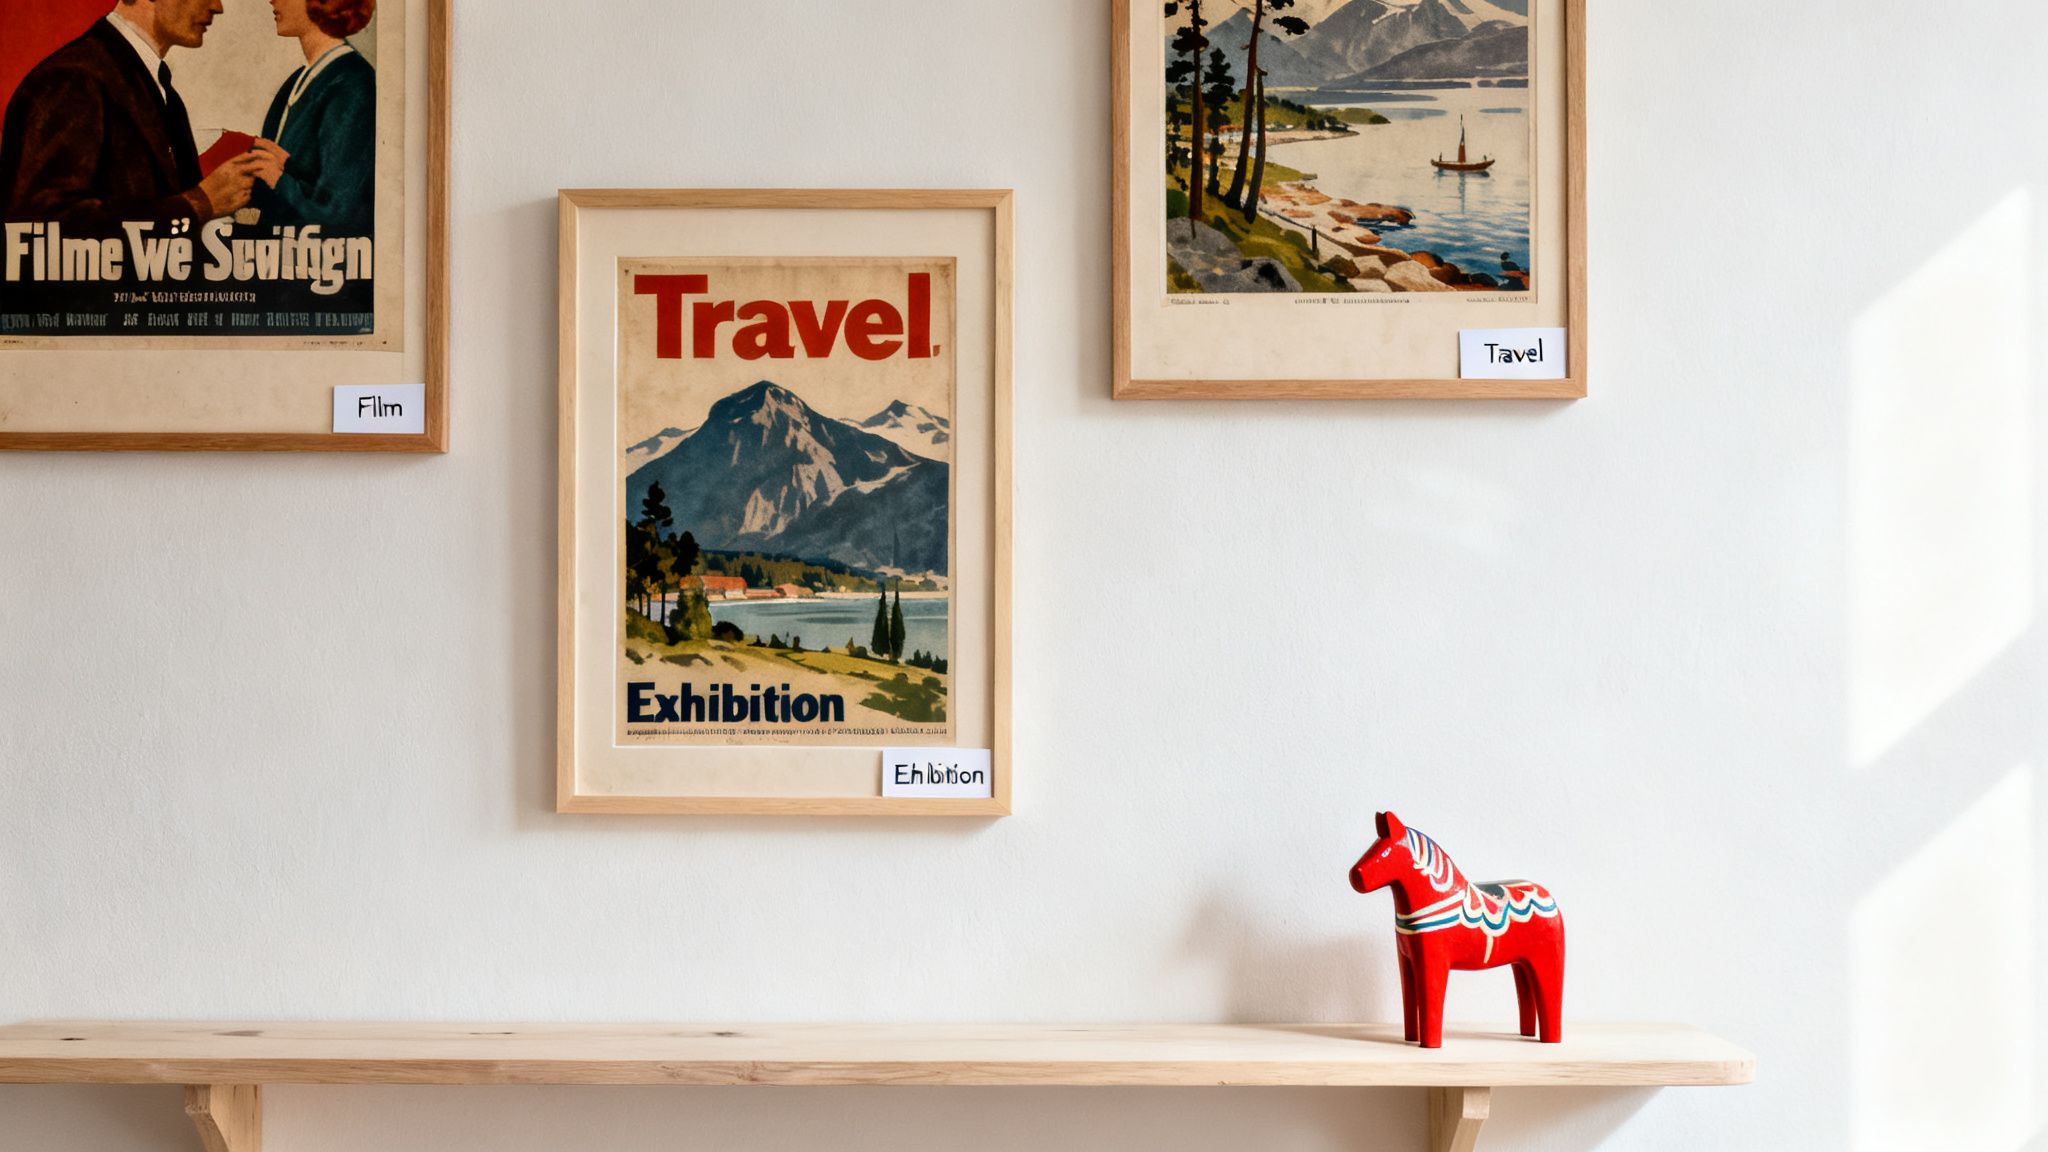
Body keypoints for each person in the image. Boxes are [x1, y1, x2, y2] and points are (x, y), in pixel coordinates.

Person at [0, 0, 260, 235]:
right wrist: (198, 204)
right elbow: (43, 229)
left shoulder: (160, 88)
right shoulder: (74, 79)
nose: (217, 6)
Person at [248, 0, 375, 238]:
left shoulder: (353, 85)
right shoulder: (296, 81)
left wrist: (277, 177)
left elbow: (341, 215)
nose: (272, 0)